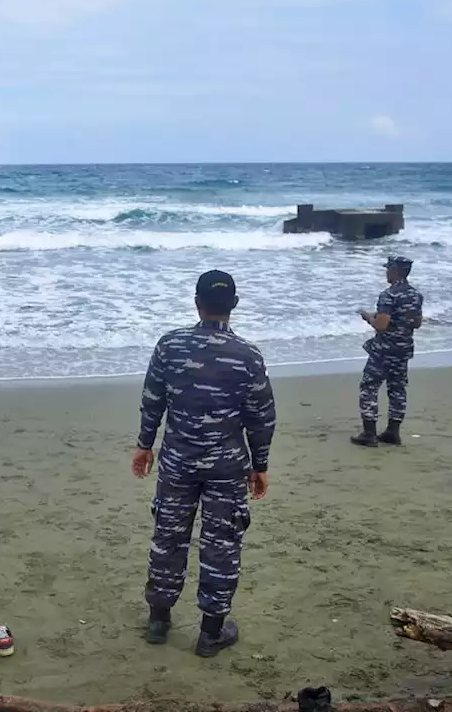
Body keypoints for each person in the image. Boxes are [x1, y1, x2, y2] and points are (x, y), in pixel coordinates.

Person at [133, 269, 276, 657]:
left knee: (168, 536)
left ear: (197, 302)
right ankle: (210, 633)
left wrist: (145, 444)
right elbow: (261, 416)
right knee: (221, 544)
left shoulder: (170, 345)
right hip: (226, 467)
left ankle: (159, 622)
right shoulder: (248, 356)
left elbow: (153, 400)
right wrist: (259, 465)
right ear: (234, 305)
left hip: (178, 461)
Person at [352, 255, 424, 447]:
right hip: (403, 350)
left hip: (383, 351)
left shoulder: (388, 295)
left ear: (395, 271)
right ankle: (393, 431)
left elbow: (381, 325)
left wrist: (368, 317)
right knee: (397, 389)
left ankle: (369, 434)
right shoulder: (416, 295)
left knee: (369, 387)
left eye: (388, 269)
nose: (386, 272)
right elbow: (416, 323)